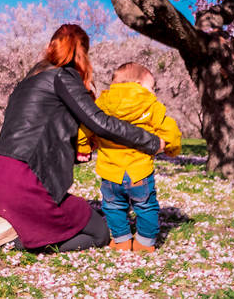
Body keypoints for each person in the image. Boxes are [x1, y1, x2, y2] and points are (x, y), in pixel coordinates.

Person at [0, 25, 165, 253]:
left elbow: (36, 135)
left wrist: (76, 147)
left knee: (63, 213)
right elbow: (100, 122)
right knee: (98, 232)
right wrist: (151, 141)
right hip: (24, 185)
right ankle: (14, 242)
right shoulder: (63, 77)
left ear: (49, 46)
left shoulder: (25, 84)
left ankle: (10, 219)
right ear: (83, 54)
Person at [77, 62, 181, 253]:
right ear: (139, 84)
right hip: (139, 171)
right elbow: (170, 130)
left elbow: (84, 128)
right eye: (151, 87)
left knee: (113, 207)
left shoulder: (102, 103)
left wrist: (83, 147)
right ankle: (144, 243)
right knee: (146, 207)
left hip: (110, 172)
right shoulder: (151, 104)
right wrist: (172, 148)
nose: (153, 91)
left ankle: (122, 241)